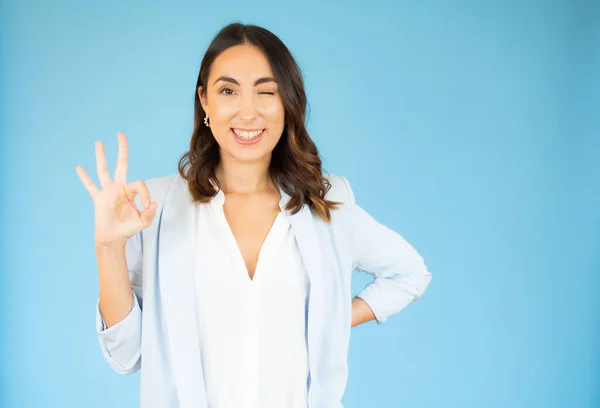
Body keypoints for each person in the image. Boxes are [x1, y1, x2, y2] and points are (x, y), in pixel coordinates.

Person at [75, 22, 432, 408]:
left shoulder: (326, 204)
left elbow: (410, 273)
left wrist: (327, 320)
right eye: (228, 91)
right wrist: (108, 246)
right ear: (205, 102)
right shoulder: (156, 208)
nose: (248, 112)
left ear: (287, 104)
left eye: (266, 92)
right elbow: (126, 355)